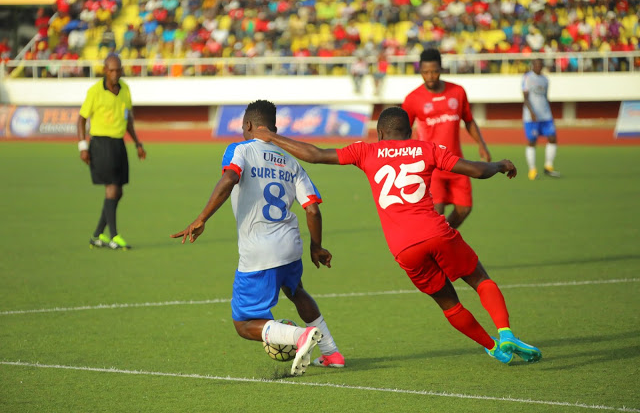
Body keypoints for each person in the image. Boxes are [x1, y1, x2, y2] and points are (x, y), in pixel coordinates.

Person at [252, 106, 542, 365]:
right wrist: (500, 165)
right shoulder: (427, 148)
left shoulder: (366, 151)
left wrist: (272, 136)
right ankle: (506, 333)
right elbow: (476, 171)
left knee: (449, 304)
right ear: (410, 131)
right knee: (479, 279)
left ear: (380, 133)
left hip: (404, 248)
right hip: (436, 232)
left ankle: (493, 347)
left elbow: (315, 155)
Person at [170, 100, 345, 376]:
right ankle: (332, 352)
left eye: (243, 127)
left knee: (243, 324)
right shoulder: (291, 160)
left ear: (248, 125)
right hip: (290, 245)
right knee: (295, 290)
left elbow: (230, 178)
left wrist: (202, 218)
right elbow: (312, 209)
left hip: (259, 251)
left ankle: (299, 336)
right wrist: (316, 246)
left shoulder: (240, 149)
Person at [402, 48, 491, 229]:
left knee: (464, 208)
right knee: (437, 211)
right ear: (420, 71)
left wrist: (481, 144)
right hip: (431, 166)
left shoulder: (457, 92)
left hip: (457, 163)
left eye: (434, 71)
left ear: (441, 69)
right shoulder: (412, 99)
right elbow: (403, 130)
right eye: (425, 72)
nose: (430, 76)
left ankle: (442, 238)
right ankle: (439, 241)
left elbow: (468, 120)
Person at [77, 54, 146, 250]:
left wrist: (138, 143)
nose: (115, 73)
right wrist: (82, 146)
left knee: (119, 191)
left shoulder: (125, 89)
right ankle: (114, 236)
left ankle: (97, 235)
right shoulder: (95, 91)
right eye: (112, 70)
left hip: (118, 144)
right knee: (112, 189)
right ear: (105, 70)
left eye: (118, 70)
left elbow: (128, 119)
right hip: (100, 143)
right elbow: (81, 119)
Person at [523, 58, 560, 180]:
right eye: (536, 65)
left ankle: (548, 166)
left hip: (546, 115)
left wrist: (549, 111)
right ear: (532, 65)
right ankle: (532, 170)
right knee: (532, 141)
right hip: (532, 117)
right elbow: (525, 97)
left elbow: (545, 97)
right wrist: (531, 112)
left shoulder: (545, 79)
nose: (538, 67)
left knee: (552, 138)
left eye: (540, 65)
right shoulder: (527, 77)